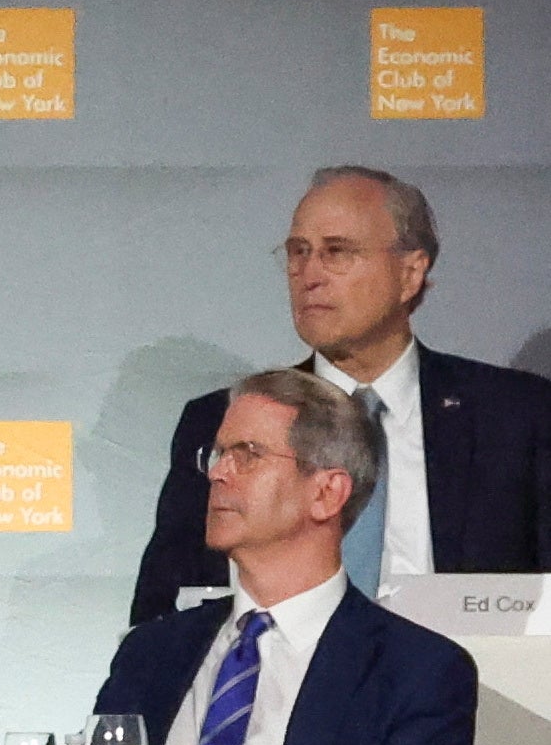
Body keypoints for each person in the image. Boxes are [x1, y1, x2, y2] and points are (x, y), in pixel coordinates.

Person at [130, 165, 551, 623]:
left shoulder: (517, 417)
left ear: (410, 274)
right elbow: (161, 619)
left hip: (470, 685)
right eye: (298, 252)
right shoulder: (222, 420)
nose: (309, 274)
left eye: (337, 252)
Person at [96, 370, 476, 745]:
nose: (217, 473)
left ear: (327, 493)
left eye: (248, 455)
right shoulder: (151, 654)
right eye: (218, 454)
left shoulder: (416, 673)